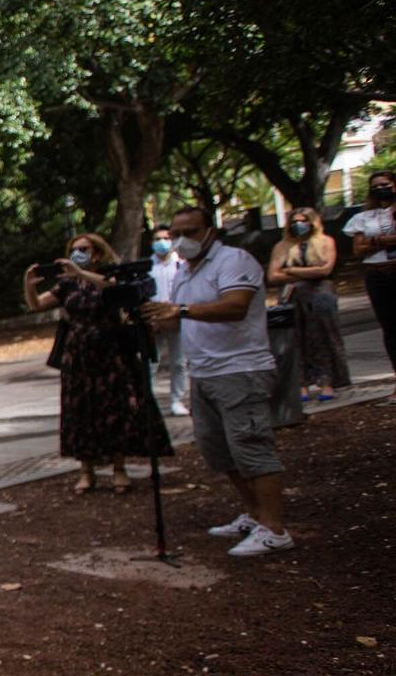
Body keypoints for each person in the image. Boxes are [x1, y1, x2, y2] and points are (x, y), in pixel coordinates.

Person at [141, 206, 294, 556]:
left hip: (240, 370)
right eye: (176, 233)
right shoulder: (186, 272)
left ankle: (275, 528)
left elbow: (235, 306)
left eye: (190, 232)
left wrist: (180, 311)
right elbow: (177, 319)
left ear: (211, 230)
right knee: (220, 450)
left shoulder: (234, 261)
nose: (181, 241)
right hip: (204, 372)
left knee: (252, 447)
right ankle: (255, 514)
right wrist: (155, 319)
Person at [23, 232, 173, 494]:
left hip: (111, 351)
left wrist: (81, 273)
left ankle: (119, 468)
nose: (78, 253)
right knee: (81, 411)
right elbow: (37, 305)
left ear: (97, 251)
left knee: (114, 408)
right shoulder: (67, 285)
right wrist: (29, 284)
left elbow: (113, 287)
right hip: (78, 354)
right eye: (74, 249)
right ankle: (86, 470)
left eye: (84, 249)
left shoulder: (108, 276)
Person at [267, 207, 350, 402]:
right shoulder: (283, 246)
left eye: (303, 221)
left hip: (321, 295)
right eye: (294, 221)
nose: (299, 225)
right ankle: (301, 384)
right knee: (295, 340)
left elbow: (325, 270)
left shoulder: (325, 242)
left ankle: (327, 382)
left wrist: (291, 270)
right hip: (293, 296)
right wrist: (307, 271)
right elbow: (272, 275)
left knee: (324, 337)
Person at [343, 172, 396, 376]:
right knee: (390, 328)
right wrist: (384, 241)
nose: (381, 188)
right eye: (376, 186)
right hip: (378, 274)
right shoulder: (363, 217)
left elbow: (366, 243)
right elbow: (358, 249)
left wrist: (373, 241)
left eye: (385, 184)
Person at [146, 224, 190, 415]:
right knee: (150, 363)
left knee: (179, 362)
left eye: (166, 238)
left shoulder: (182, 264)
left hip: (178, 318)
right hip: (154, 319)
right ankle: (148, 400)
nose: (162, 242)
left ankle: (177, 400)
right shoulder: (147, 267)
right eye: (157, 239)